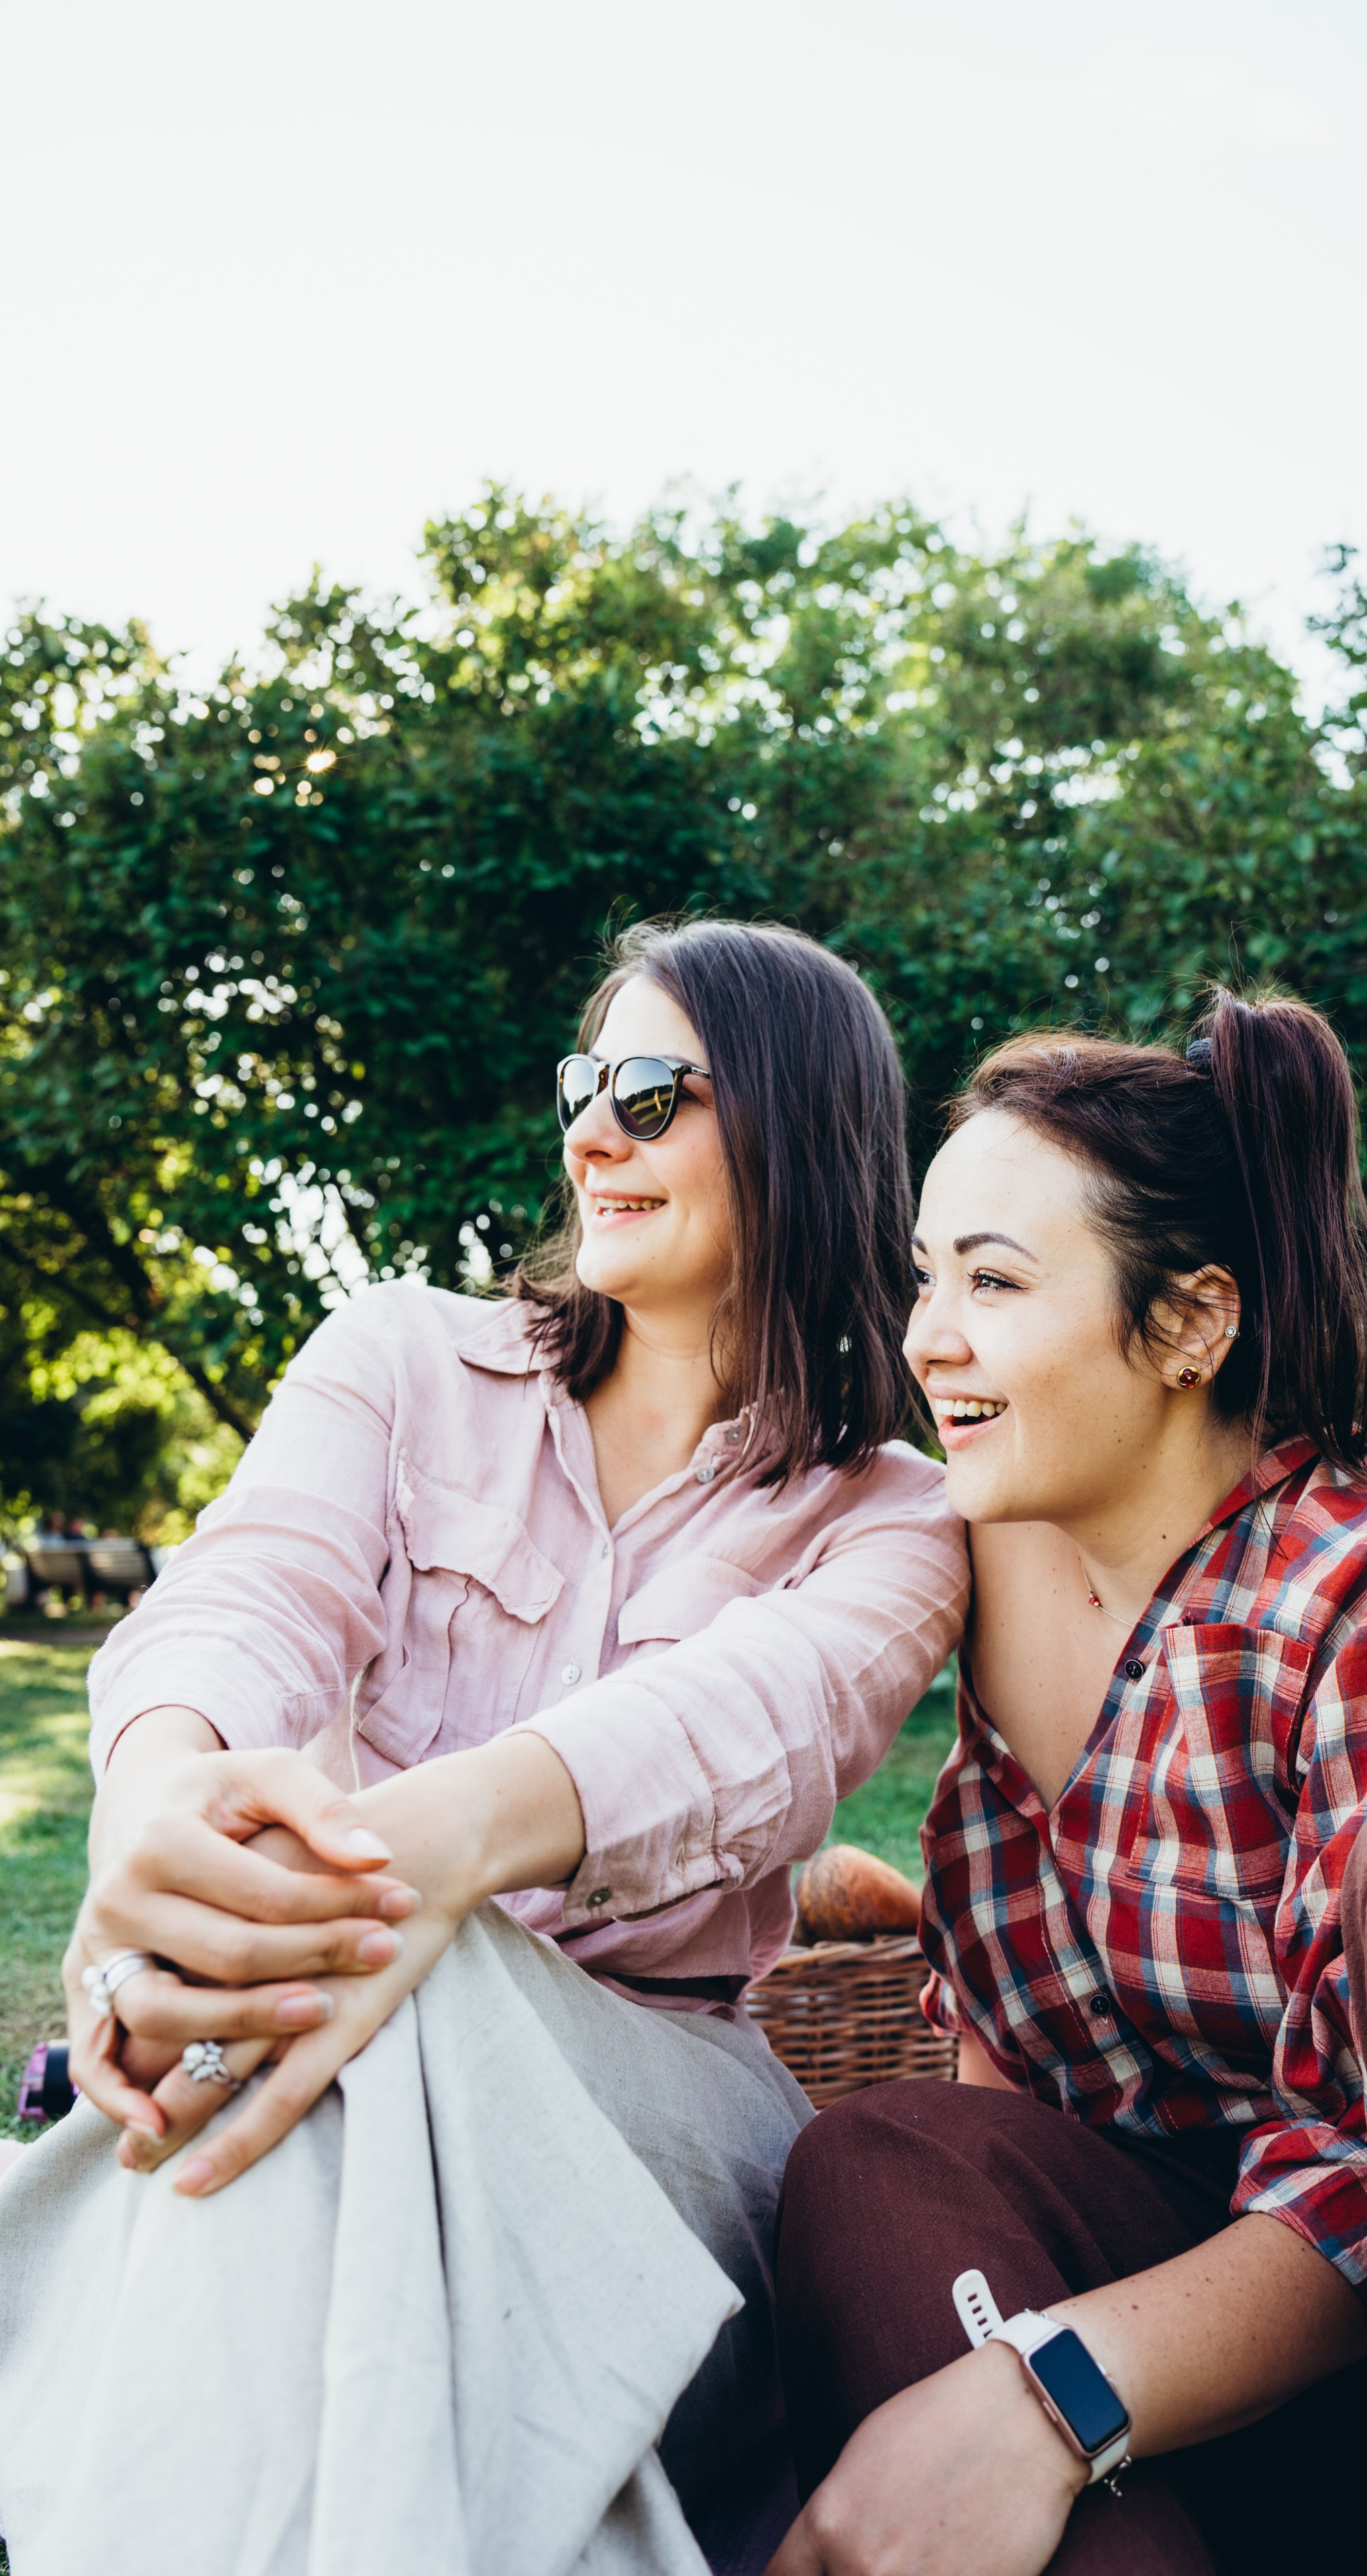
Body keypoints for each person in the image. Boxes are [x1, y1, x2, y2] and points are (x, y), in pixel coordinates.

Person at [0, 918, 967, 2576]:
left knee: (387, 1976)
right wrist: (156, 1805)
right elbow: (250, 1594)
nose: (591, 1130)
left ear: (800, 1128)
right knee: (349, 2031)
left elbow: (744, 1728)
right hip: (321, 2046)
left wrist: (416, 1863)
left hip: (660, 2124)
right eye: (587, 1083)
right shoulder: (398, 1361)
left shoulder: (895, 1513)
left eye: (652, 1091)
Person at [770, 994, 1367, 2576]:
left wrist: (1046, 2393)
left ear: (1190, 1324)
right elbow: (1029, 2092)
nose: (926, 1332)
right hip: (1245, 2391)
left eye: (992, 1283)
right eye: (926, 1275)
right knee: (882, 2167)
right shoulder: (991, 1571)